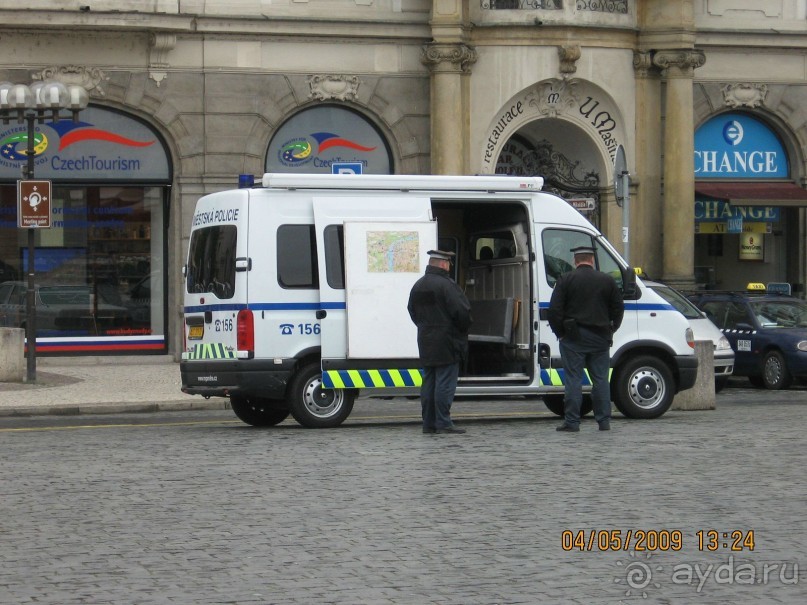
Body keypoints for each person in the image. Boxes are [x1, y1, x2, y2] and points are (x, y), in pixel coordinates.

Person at [547, 245, 624, 432]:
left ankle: (572, 422)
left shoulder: (565, 279)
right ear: (592, 260)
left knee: (573, 379)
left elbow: (554, 310)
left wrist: (561, 333)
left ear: (575, 260)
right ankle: (604, 421)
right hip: (600, 337)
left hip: (573, 337)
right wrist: (612, 328)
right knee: (600, 379)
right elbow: (618, 308)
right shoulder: (607, 281)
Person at [407, 249, 472, 435]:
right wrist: (462, 330)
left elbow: (412, 311)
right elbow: (462, 313)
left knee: (429, 382)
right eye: (449, 263)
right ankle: (443, 422)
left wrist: (425, 327)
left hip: (426, 340)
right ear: (443, 264)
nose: (449, 266)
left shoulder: (418, 286)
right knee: (444, 383)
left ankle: (428, 423)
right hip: (447, 341)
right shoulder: (447, 286)